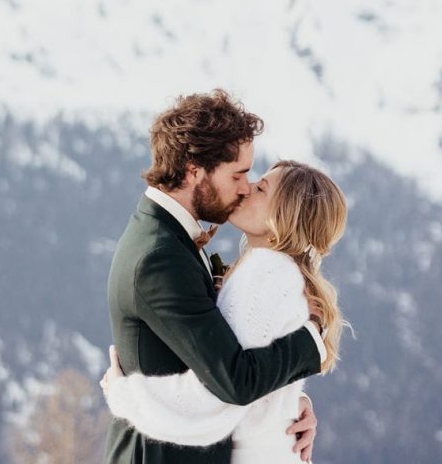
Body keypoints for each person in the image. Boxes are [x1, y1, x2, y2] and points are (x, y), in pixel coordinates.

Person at [102, 90, 329, 464]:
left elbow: (222, 351)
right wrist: (310, 344)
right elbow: (234, 380)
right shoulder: (161, 257)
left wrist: (289, 404)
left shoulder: (171, 235)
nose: (244, 188)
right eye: (239, 174)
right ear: (195, 170)